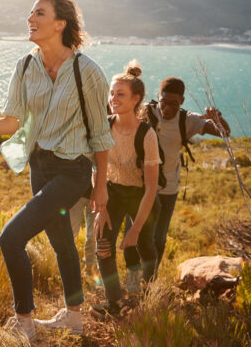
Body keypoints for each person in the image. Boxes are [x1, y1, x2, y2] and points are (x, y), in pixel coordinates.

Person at [0, 0, 114, 341]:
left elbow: (100, 135)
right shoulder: (25, 66)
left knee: (11, 238)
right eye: (30, 13)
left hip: (72, 170)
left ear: (60, 24)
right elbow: (12, 123)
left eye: (39, 13)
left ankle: (25, 322)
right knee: (62, 242)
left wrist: (101, 187)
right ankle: (74, 317)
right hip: (40, 166)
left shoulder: (87, 72)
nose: (30, 19)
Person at [122, 76, 230, 287]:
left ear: (181, 101)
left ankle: (149, 282)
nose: (167, 107)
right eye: (164, 101)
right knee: (132, 233)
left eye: (174, 103)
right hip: (138, 185)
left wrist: (217, 118)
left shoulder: (187, 120)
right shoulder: (145, 111)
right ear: (158, 97)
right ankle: (132, 280)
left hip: (167, 188)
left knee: (158, 239)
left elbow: (225, 133)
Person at [91, 61, 160, 318]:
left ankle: (149, 296)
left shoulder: (147, 135)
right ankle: (115, 304)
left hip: (141, 196)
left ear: (136, 99)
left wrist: (135, 228)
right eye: (112, 93)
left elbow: (152, 188)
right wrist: (101, 208)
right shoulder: (105, 126)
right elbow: (97, 170)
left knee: (144, 246)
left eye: (120, 94)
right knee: (103, 247)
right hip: (111, 193)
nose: (113, 98)